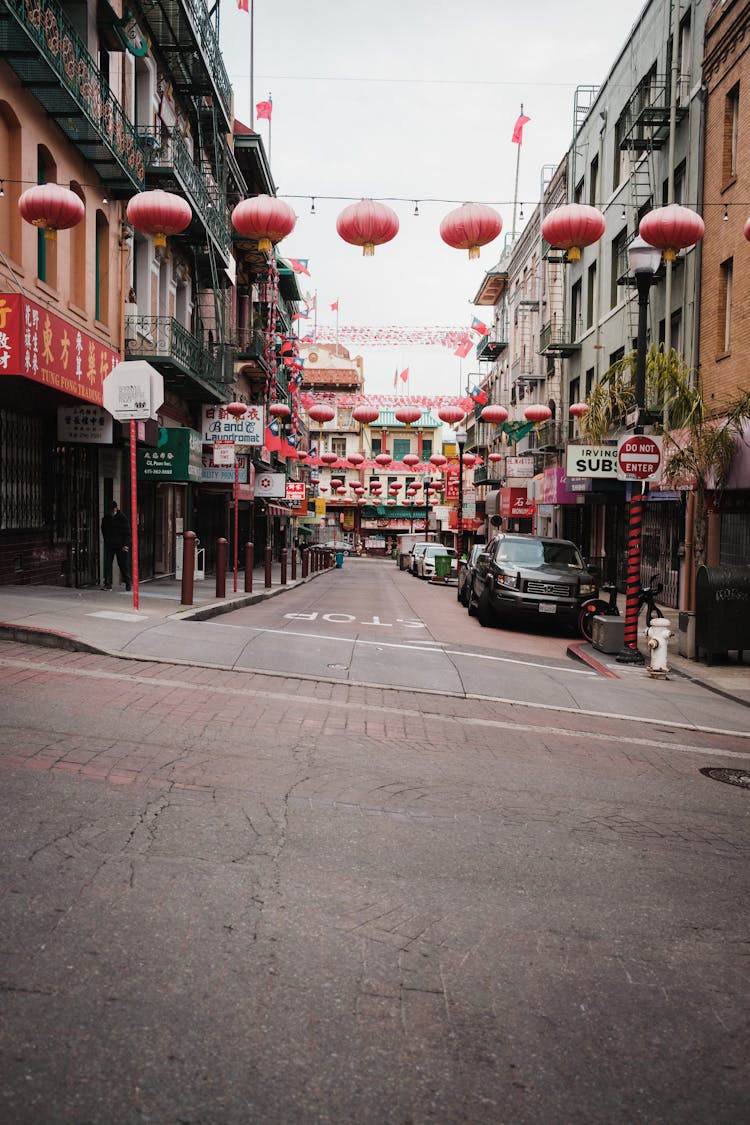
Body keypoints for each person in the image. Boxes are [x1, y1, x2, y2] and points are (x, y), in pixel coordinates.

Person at [101, 501, 131, 590]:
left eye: (111, 510)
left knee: (122, 565)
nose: (110, 512)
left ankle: (127, 582)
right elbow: (104, 530)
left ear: (115, 508)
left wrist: (126, 544)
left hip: (121, 546)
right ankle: (107, 584)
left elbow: (127, 532)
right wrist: (107, 541)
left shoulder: (122, 518)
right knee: (108, 564)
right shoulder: (106, 518)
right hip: (110, 545)